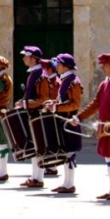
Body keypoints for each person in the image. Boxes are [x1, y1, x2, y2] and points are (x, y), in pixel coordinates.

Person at [71, 53, 110, 200]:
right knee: (109, 158)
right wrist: (79, 117)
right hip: (105, 128)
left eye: (104, 65)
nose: (102, 68)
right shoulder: (105, 83)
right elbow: (96, 104)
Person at [43, 53, 83, 194]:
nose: (56, 67)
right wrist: (53, 103)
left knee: (70, 153)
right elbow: (63, 101)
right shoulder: (65, 79)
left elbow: (75, 104)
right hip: (62, 121)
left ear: (66, 66)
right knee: (66, 153)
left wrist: (56, 107)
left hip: (70, 121)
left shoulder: (74, 81)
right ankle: (66, 183)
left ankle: (70, 184)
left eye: (59, 64)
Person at [15, 45, 49, 188]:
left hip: (38, 115)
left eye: (25, 56)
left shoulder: (40, 75)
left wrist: (26, 104)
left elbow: (43, 98)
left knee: (39, 147)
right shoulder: (33, 74)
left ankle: (39, 178)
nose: (23, 58)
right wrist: (23, 102)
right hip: (32, 114)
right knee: (34, 148)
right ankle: (34, 177)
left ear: (33, 58)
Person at [40, 58, 61, 176]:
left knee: (51, 139)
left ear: (48, 69)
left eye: (43, 68)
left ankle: (52, 166)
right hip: (46, 113)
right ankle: (49, 164)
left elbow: (53, 99)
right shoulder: (47, 80)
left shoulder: (55, 82)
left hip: (51, 114)